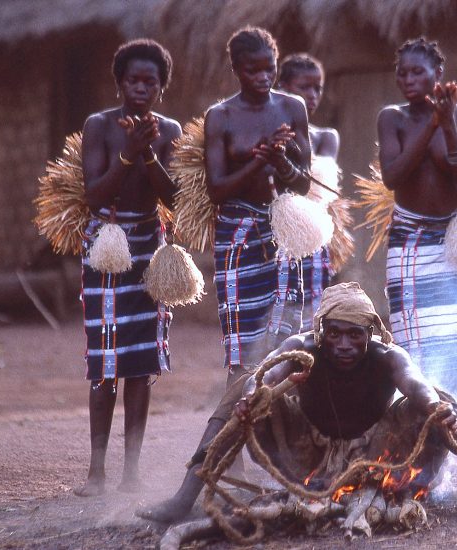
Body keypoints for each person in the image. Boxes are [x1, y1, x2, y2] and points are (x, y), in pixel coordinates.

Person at [136, 282, 457, 523]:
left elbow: (416, 382)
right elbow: (268, 374)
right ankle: (183, 498)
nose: (343, 345)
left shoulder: (387, 355)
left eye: (354, 335)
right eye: (335, 334)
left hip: (377, 457)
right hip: (303, 456)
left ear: (370, 334)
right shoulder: (301, 348)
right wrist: (252, 398)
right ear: (321, 332)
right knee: (244, 393)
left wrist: (435, 404)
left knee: (438, 405)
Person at [76, 39, 182, 496]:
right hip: (107, 246)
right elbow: (95, 195)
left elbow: (173, 196)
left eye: (150, 82)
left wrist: (148, 153)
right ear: (120, 83)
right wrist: (126, 153)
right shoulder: (98, 126)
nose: (141, 89)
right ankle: (97, 472)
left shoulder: (171, 129)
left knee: (139, 362)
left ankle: (131, 473)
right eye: (134, 81)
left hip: (148, 249)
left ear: (161, 87)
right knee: (104, 360)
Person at [377, 37, 457, 403]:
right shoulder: (391, 118)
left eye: (417, 72)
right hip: (408, 239)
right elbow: (393, 177)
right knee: (414, 343)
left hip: (452, 242)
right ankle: (422, 431)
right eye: (402, 73)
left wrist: (448, 123)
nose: (408, 80)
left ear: (437, 74)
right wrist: (431, 125)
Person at [204, 26, 312, 387]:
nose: (264, 77)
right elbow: (216, 189)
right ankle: (242, 422)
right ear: (235, 69)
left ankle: (281, 430)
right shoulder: (221, 116)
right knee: (242, 342)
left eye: (270, 68)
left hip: (282, 231)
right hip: (237, 236)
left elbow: (304, 182)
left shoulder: (292, 108)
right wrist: (256, 160)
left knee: (283, 339)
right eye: (253, 70)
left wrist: (281, 163)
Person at [277, 53, 340, 330]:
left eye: (318, 88)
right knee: (277, 317)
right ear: (283, 87)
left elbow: (315, 188)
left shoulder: (326, 137)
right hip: (275, 237)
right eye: (305, 87)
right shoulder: (267, 134)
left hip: (313, 239)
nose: (313, 95)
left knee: (310, 320)